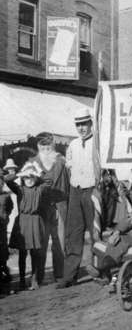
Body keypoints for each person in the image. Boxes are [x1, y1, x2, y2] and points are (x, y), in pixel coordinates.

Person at [57, 108, 98, 289]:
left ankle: (100, 271)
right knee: (73, 233)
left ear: (91, 124)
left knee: (96, 232)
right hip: (76, 190)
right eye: (78, 125)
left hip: (93, 190)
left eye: (84, 124)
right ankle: (69, 276)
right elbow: (69, 167)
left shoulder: (98, 142)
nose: (81, 128)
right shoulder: (72, 145)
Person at [6, 163, 54, 290]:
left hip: (35, 221)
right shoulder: (20, 189)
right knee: (22, 253)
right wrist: (21, 173)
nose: (29, 180)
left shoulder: (39, 189)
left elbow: (49, 180)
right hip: (22, 221)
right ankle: (22, 281)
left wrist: (37, 170)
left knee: (35, 253)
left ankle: (34, 280)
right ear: (23, 179)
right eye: (27, 178)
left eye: (32, 177)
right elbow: (7, 180)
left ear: (36, 178)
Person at [30, 132, 70, 282]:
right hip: (41, 210)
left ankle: (59, 274)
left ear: (52, 145)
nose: (46, 148)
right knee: (40, 243)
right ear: (38, 146)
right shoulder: (32, 163)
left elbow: (70, 184)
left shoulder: (62, 161)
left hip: (60, 207)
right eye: (43, 145)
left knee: (59, 242)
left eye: (49, 145)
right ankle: (37, 277)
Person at [0, 169, 13, 292]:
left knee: (3, 249)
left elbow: (10, 208)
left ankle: (4, 270)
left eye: (1, 180)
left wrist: (6, 217)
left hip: (2, 226)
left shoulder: (6, 196)